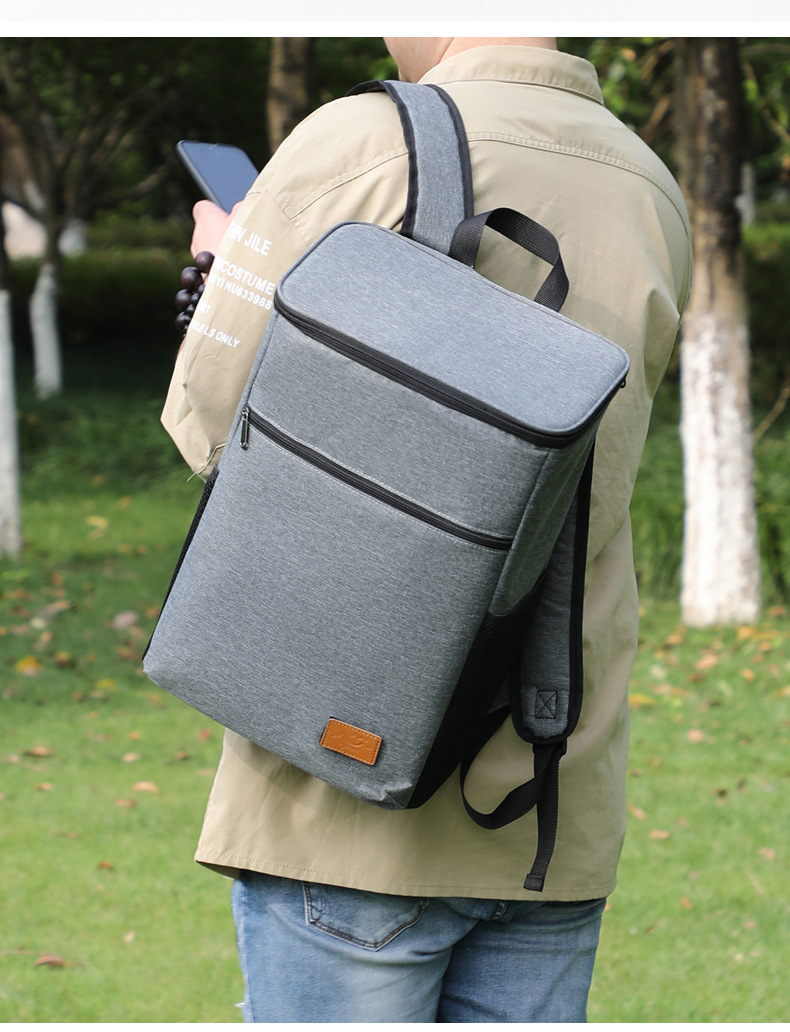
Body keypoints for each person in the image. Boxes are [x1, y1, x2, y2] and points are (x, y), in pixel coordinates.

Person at [162, 37, 692, 1023]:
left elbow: (214, 432)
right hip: (549, 802)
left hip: (344, 806)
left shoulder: (359, 142)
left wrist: (222, 277)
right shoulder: (649, 185)